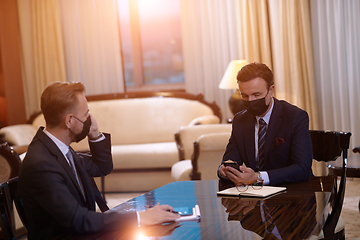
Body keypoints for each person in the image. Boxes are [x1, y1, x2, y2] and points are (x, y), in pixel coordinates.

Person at [18, 82, 179, 239]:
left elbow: (101, 167)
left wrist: (94, 133)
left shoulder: (57, 148)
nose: (89, 118)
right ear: (69, 121)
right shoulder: (41, 164)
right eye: (86, 114)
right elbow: (77, 219)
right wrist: (140, 217)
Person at [218, 62, 313, 186]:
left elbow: (302, 168)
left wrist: (258, 177)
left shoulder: (295, 117)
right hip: (253, 196)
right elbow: (230, 160)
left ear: (271, 90)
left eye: (256, 95)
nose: (250, 101)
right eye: (244, 96)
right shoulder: (240, 120)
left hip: (291, 191)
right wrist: (225, 171)